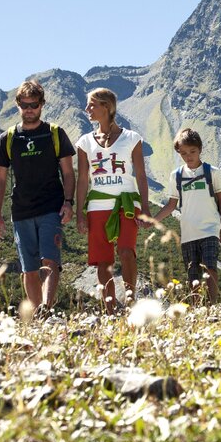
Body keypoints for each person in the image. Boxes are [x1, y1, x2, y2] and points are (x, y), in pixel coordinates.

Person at [0, 80, 75, 310]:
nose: (29, 109)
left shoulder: (55, 133)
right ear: (17, 105)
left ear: (42, 104)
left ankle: (46, 309)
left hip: (51, 207)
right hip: (21, 211)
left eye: (34, 105)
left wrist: (68, 202)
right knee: (28, 268)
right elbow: (0, 178)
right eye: (24, 105)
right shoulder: (8, 138)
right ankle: (38, 316)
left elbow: (68, 172)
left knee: (50, 260)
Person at [75, 88, 149, 311]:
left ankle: (130, 302)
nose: (87, 109)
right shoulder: (84, 142)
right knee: (103, 260)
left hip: (127, 203)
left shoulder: (132, 138)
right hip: (97, 205)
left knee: (126, 252)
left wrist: (145, 208)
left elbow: (141, 175)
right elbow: (82, 180)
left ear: (106, 107)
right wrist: (79, 213)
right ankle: (110, 311)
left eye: (92, 105)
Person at [152, 127, 221, 304]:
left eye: (192, 151)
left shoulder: (212, 172)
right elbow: (171, 204)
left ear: (200, 149)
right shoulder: (176, 176)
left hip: (210, 229)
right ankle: (196, 307)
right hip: (188, 233)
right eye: (183, 153)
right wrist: (152, 221)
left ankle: (212, 304)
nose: (188, 156)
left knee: (210, 267)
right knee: (192, 273)